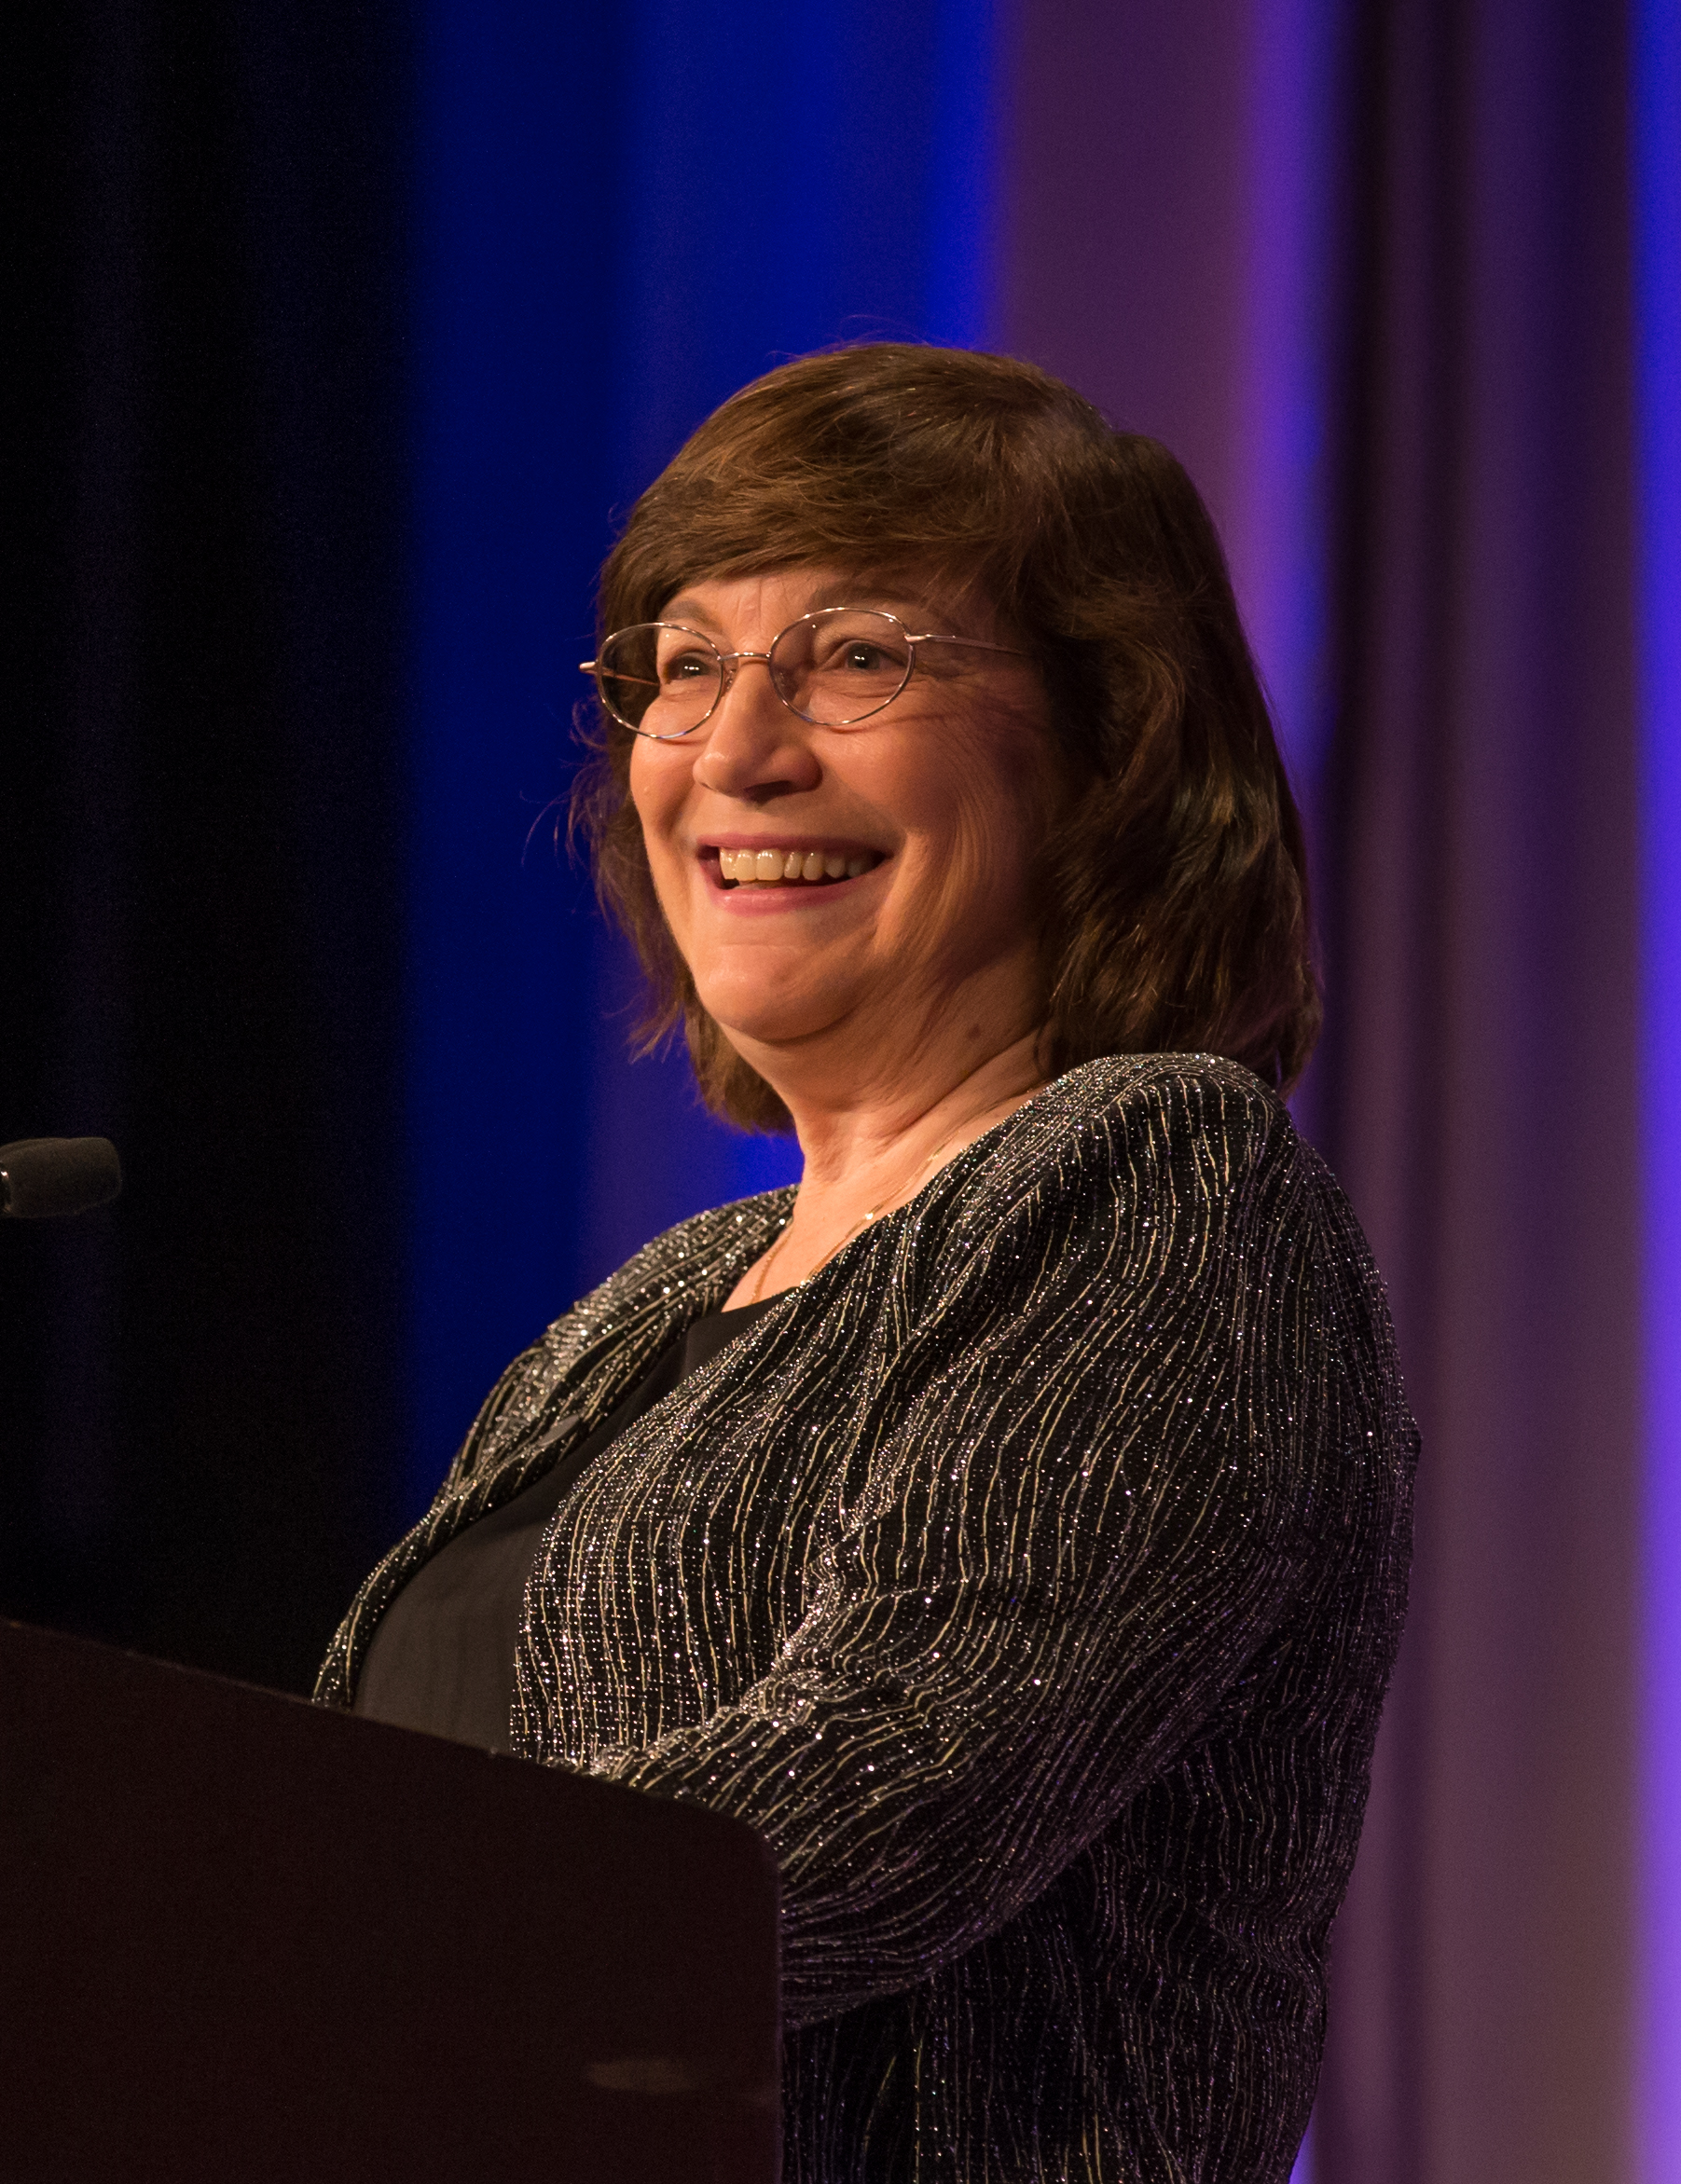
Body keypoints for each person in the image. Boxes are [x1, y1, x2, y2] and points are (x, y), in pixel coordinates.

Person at [321, 344, 1415, 2184]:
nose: (737, 748)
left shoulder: (1163, 1186)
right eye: (682, 666)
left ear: (1104, 749)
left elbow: (876, 1786)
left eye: (855, 654)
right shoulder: (634, 1322)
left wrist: (247, 1940)